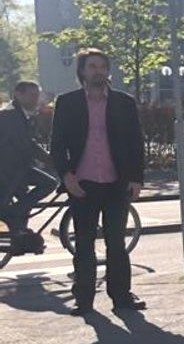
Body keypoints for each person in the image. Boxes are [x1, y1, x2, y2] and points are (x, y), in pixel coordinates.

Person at [49, 48, 147, 316]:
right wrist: (66, 176)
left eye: (102, 67)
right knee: (84, 243)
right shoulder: (67, 102)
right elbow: (56, 145)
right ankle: (84, 299)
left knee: (116, 243)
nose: (98, 72)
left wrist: (136, 178)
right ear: (82, 71)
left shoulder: (123, 102)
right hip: (82, 184)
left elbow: (136, 143)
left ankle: (122, 297)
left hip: (116, 183)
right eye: (92, 66)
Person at [0, 81, 59, 254]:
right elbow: (27, 145)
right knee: (49, 183)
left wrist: (48, 158)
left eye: (37, 95)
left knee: (25, 203)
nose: (36, 99)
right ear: (18, 95)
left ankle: (19, 238)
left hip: (15, 168)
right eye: (31, 95)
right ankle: (14, 216)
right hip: (10, 170)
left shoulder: (20, 114)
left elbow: (30, 144)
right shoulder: (11, 116)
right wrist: (51, 161)